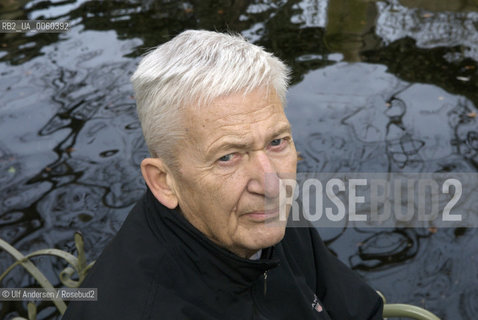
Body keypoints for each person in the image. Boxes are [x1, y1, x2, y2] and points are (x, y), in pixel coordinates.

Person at [62, 30, 383, 319]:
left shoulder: (258, 211)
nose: (270, 184)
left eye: (276, 142)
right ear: (164, 181)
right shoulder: (141, 308)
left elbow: (357, 308)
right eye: (227, 157)